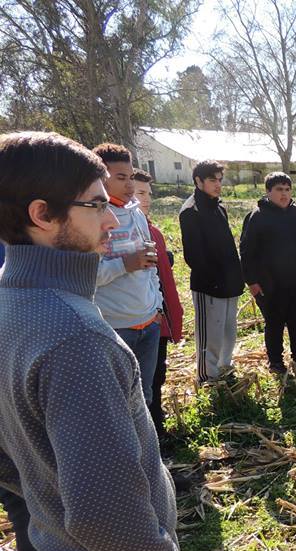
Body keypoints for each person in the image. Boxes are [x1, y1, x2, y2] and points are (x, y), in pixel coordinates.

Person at [0, 131, 202, 551]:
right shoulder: (76, 339)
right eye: (95, 204)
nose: (113, 221)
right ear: (42, 215)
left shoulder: (15, 302)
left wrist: (40, 506)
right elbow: (101, 510)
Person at [91, 143, 163, 405]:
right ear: (101, 177)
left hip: (148, 322)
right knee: (117, 400)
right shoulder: (90, 217)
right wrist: (124, 264)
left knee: (144, 397)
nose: (130, 185)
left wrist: (157, 306)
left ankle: (147, 446)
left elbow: (150, 262)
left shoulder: (137, 213)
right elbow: (86, 275)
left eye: (130, 176)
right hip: (116, 327)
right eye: (120, 178)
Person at [239, 171, 296, 377]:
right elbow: (246, 252)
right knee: (274, 324)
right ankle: (276, 362)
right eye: (279, 189)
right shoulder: (257, 218)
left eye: (287, 189)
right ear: (268, 192)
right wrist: (251, 281)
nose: (284, 194)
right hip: (270, 284)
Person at [179, 159, 244, 382]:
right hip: (209, 286)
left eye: (219, 180)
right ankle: (207, 377)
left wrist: (236, 276)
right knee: (211, 335)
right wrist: (213, 281)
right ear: (198, 181)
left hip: (229, 283)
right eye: (212, 180)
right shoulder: (190, 211)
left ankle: (225, 368)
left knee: (228, 331)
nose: (217, 185)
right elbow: (194, 256)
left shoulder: (220, 207)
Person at [132, 169, 184, 439]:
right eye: (140, 193)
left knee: (156, 376)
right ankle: (147, 436)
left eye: (148, 194)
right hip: (132, 322)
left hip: (155, 317)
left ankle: (157, 428)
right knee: (139, 383)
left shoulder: (153, 231)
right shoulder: (116, 232)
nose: (147, 199)